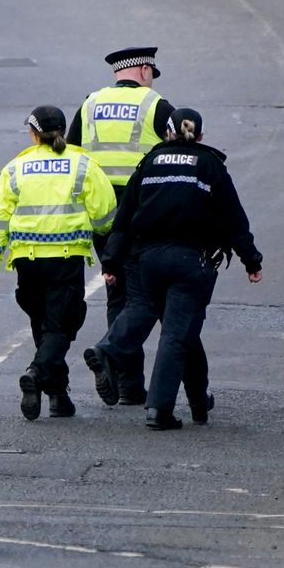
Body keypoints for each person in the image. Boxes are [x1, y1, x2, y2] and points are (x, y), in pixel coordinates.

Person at [84, 108, 263, 431]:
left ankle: (198, 402)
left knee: (180, 327)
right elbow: (234, 219)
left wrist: (110, 261)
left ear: (167, 133)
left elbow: (123, 220)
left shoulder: (149, 162)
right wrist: (251, 260)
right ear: (201, 135)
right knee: (177, 334)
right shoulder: (209, 165)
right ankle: (159, 409)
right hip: (192, 262)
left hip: (148, 261)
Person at [0, 105, 118, 421]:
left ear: (33, 134)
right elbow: (105, 217)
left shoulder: (15, 168)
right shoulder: (83, 165)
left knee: (43, 323)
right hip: (66, 259)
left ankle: (57, 396)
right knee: (62, 324)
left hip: (27, 263)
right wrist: (111, 254)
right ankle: (37, 372)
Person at [67, 46, 177, 404]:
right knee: (146, 297)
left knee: (117, 292)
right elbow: (182, 155)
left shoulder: (90, 103)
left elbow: (70, 151)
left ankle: (129, 385)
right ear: (144, 70)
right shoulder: (155, 105)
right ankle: (113, 358)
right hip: (142, 213)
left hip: (101, 215)